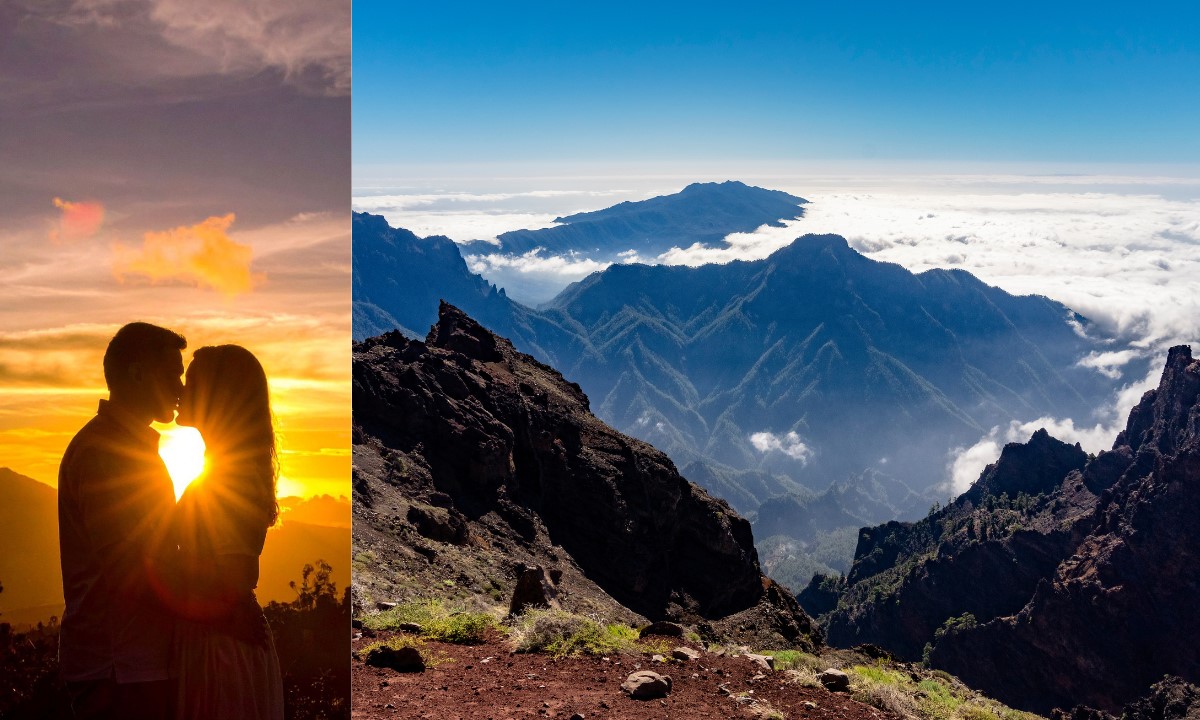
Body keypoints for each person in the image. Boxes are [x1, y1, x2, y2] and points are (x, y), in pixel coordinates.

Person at [58, 322, 186, 720]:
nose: (180, 388)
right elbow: (128, 568)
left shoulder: (121, 446)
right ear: (137, 373)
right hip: (119, 668)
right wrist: (216, 611)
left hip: (125, 664)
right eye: (173, 374)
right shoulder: (107, 454)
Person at [169, 344, 284, 720]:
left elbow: (235, 578)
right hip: (218, 642)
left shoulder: (229, 475)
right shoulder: (225, 468)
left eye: (192, 383)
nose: (181, 390)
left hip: (220, 651)